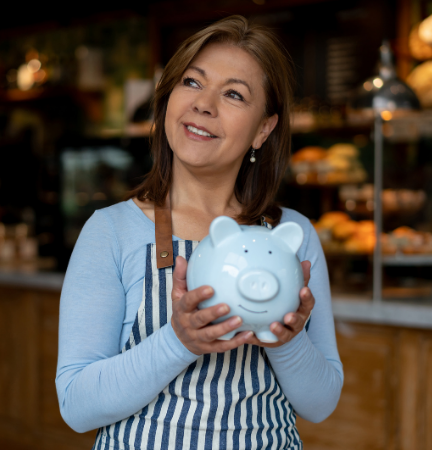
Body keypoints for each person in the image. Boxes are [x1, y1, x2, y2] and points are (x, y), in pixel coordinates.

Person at [56, 15, 343, 450]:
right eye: (192, 82)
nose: (204, 104)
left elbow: (321, 404)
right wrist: (178, 341)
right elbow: (76, 406)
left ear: (263, 129)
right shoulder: (112, 232)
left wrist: (286, 340)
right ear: (169, 97)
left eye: (233, 94)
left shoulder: (293, 235)